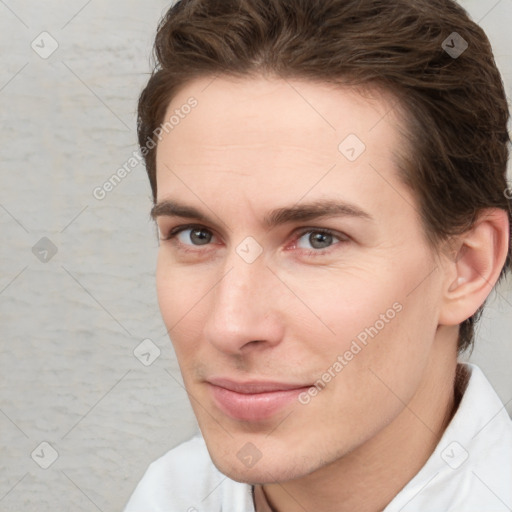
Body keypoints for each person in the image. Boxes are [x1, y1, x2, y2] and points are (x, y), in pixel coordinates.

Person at [124, 0, 512, 510]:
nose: (230, 325)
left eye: (317, 239)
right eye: (197, 235)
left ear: (467, 265)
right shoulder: (168, 494)